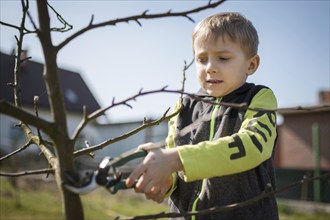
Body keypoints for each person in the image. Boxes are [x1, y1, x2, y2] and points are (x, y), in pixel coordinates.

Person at [126, 12, 279, 220]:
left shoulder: (259, 98)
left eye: (223, 58)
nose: (210, 68)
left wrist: (177, 158)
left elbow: (252, 146)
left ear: (251, 65)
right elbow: (175, 168)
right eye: (202, 59)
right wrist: (167, 181)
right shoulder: (183, 106)